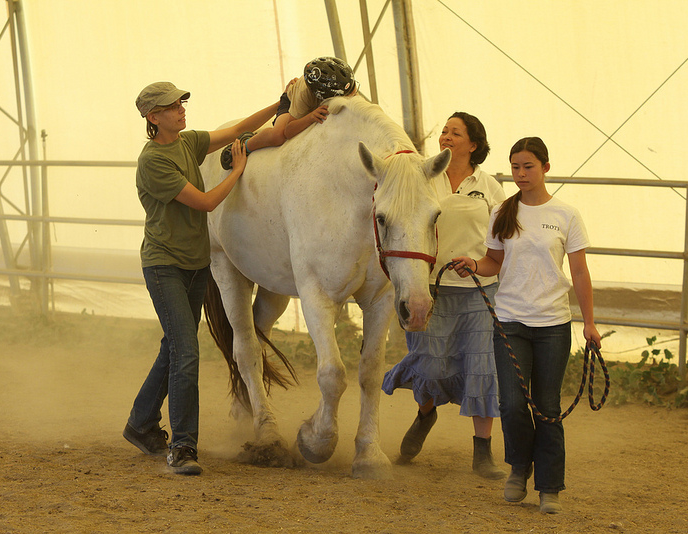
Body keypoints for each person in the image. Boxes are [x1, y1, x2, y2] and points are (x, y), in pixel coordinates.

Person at [124, 81, 278, 475]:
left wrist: (280, 104)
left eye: (181, 103)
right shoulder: (153, 162)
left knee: (173, 348)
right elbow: (208, 202)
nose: (181, 109)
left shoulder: (187, 142)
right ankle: (183, 449)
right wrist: (239, 169)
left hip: (194, 266)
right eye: (172, 106)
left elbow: (237, 128)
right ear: (152, 117)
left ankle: (141, 423)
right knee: (186, 352)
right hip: (165, 267)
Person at [452, 136, 601, 513]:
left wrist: (590, 324)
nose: (521, 174)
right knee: (513, 404)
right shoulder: (503, 211)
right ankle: (519, 468)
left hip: (553, 324)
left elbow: (580, 272)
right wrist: (473, 264)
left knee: (547, 406)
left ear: (545, 168)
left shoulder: (566, 215)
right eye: (515, 167)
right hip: (510, 321)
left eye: (528, 166)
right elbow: (493, 263)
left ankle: (549, 487)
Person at [381, 112, 507, 479]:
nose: (446, 137)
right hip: (429, 289)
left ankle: (482, 453)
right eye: (445, 131)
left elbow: (501, 240)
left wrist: (483, 265)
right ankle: (425, 413)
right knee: (429, 364)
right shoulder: (421, 177)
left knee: (482, 368)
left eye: (456, 132)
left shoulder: (490, 186)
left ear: (474, 143)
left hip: (478, 291)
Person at [220, 56, 358, 169]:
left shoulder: (346, 87)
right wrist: (310, 117)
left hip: (313, 105)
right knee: (278, 136)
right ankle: (246, 145)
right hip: (291, 102)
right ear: (322, 94)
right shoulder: (304, 92)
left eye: (353, 91)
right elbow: (288, 130)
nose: (353, 94)